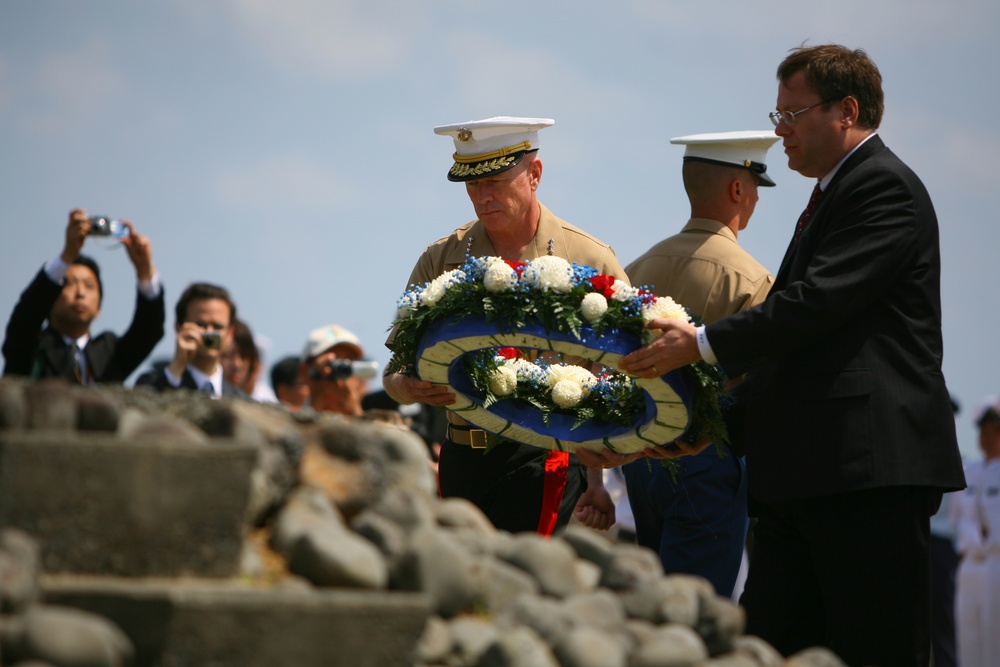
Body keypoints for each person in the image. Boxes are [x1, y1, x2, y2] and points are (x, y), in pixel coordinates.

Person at [615, 45, 965, 665]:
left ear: (846, 111)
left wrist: (698, 345)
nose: (780, 132)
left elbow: (813, 306)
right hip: (810, 478)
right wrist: (708, 429)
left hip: (866, 475)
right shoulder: (836, 194)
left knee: (876, 648)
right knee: (772, 646)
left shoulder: (882, 187)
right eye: (776, 114)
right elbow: (800, 352)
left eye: (792, 114)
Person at [383, 116, 629, 536]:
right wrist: (409, 387)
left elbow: (622, 372)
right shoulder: (441, 258)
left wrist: (596, 479)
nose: (482, 196)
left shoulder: (588, 258)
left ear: (534, 174)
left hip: (543, 457)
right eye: (473, 185)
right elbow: (395, 370)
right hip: (461, 457)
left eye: (495, 181)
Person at [617, 131, 779, 598]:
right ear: (737, 191)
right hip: (708, 459)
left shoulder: (638, 267)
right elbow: (764, 385)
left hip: (640, 456)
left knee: (652, 611)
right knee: (694, 616)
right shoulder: (752, 280)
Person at [3, 208, 164, 384]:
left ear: (99, 308)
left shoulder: (109, 352)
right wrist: (67, 256)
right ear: (50, 298)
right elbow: (25, 317)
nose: (80, 293)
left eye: (89, 286)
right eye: (70, 284)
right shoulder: (33, 347)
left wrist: (145, 271)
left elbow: (148, 330)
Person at [134, 282, 245, 398]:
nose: (209, 332)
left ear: (230, 333)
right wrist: (175, 370)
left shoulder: (242, 401)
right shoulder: (152, 384)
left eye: (217, 327)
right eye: (200, 325)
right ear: (178, 328)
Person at [954, 397, 1000, 667]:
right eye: (983, 429)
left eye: (992, 428)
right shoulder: (968, 472)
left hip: (996, 561)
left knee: (994, 643)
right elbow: (958, 519)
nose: (985, 435)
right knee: (968, 641)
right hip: (970, 563)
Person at [299, 323, 372, 416]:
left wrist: (354, 411)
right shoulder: (283, 420)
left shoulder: (381, 422)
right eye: (332, 363)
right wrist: (316, 401)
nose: (339, 370)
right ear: (304, 371)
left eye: (349, 361)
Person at [222, 318, 278, 402]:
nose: (237, 364)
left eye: (244, 356)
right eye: (227, 355)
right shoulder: (202, 393)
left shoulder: (266, 400)